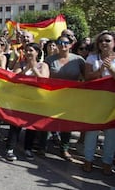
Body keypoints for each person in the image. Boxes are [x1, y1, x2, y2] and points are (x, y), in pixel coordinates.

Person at [6, 43, 50, 161]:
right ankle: (10, 149)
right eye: (26, 50)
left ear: (37, 52)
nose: (28, 53)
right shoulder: (20, 63)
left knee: (31, 125)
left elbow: (44, 81)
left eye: (31, 50)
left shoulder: (43, 65)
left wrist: (34, 68)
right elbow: (15, 78)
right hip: (20, 98)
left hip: (35, 99)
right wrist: (26, 68)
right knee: (16, 124)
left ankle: (28, 149)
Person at [44, 34, 85, 160]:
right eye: (60, 42)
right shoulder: (49, 60)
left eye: (66, 42)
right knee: (48, 121)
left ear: (71, 45)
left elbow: (87, 78)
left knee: (67, 124)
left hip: (71, 96)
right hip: (53, 96)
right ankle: (42, 146)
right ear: (56, 45)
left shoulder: (78, 60)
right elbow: (43, 78)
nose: (63, 45)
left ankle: (64, 149)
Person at [83, 30, 115, 175]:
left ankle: (107, 163)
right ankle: (88, 160)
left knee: (111, 132)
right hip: (95, 101)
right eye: (101, 41)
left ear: (114, 43)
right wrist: (101, 69)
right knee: (92, 131)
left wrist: (111, 69)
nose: (104, 43)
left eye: (108, 40)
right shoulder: (92, 58)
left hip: (112, 103)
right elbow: (88, 77)